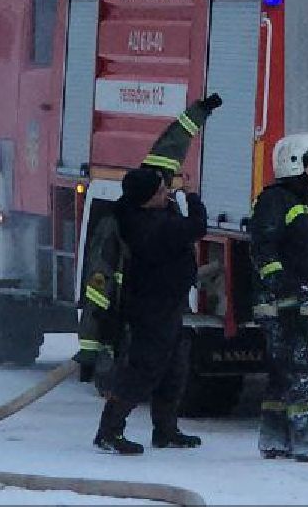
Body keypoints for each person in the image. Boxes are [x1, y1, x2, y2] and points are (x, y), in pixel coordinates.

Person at [84, 94, 221, 455]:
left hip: (168, 306)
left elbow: (167, 149)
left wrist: (198, 113)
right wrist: (192, 197)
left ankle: (165, 429)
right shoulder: (151, 227)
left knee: (175, 367)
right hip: (151, 310)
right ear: (148, 199)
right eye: (162, 189)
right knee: (143, 370)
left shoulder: (140, 212)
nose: (167, 190)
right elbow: (197, 227)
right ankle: (109, 430)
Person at [250, 133, 308, 462]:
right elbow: (263, 249)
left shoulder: (300, 201)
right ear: (294, 164)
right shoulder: (276, 201)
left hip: (298, 300)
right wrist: (285, 294)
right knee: (304, 369)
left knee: (283, 371)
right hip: (282, 303)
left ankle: (275, 439)